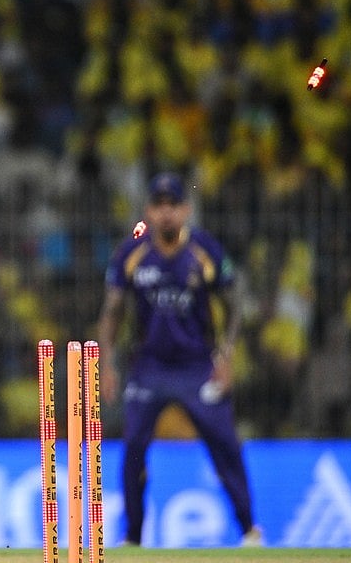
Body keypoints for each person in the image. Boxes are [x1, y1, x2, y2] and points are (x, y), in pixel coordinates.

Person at [96, 171, 262, 547]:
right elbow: (112, 312)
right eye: (159, 205)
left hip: (198, 367)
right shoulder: (132, 250)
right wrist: (106, 363)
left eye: (174, 205)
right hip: (149, 368)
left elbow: (234, 305)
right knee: (134, 448)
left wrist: (226, 354)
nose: (167, 213)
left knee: (225, 446)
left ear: (186, 210)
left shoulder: (204, 249)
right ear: (148, 211)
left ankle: (250, 530)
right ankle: (134, 539)